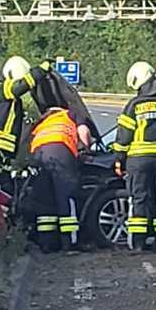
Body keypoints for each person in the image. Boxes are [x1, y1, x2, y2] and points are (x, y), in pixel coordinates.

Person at [112, 61, 156, 253]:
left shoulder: (134, 105)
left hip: (138, 161)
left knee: (139, 199)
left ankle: (139, 244)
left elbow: (124, 136)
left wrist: (118, 157)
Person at [28, 104, 93, 253]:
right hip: (60, 150)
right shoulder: (70, 114)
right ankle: (69, 243)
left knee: (46, 199)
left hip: (38, 155)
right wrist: (86, 149)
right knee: (66, 196)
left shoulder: (42, 122)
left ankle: (46, 243)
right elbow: (83, 130)